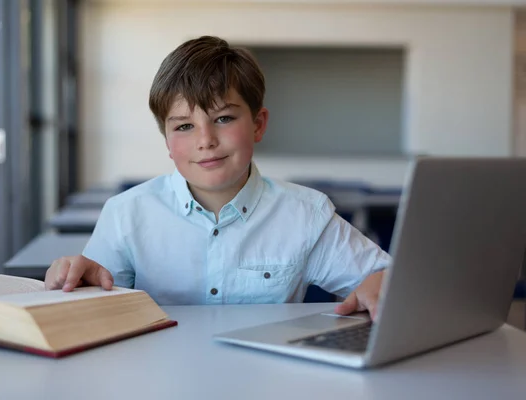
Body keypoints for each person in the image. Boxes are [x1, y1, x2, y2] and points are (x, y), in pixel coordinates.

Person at [44, 36, 390, 319]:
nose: (206, 140)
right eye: (184, 126)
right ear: (167, 141)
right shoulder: (126, 214)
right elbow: (95, 312)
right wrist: (76, 281)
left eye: (223, 119)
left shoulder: (305, 213)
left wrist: (383, 283)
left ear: (258, 124)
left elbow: (388, 280)